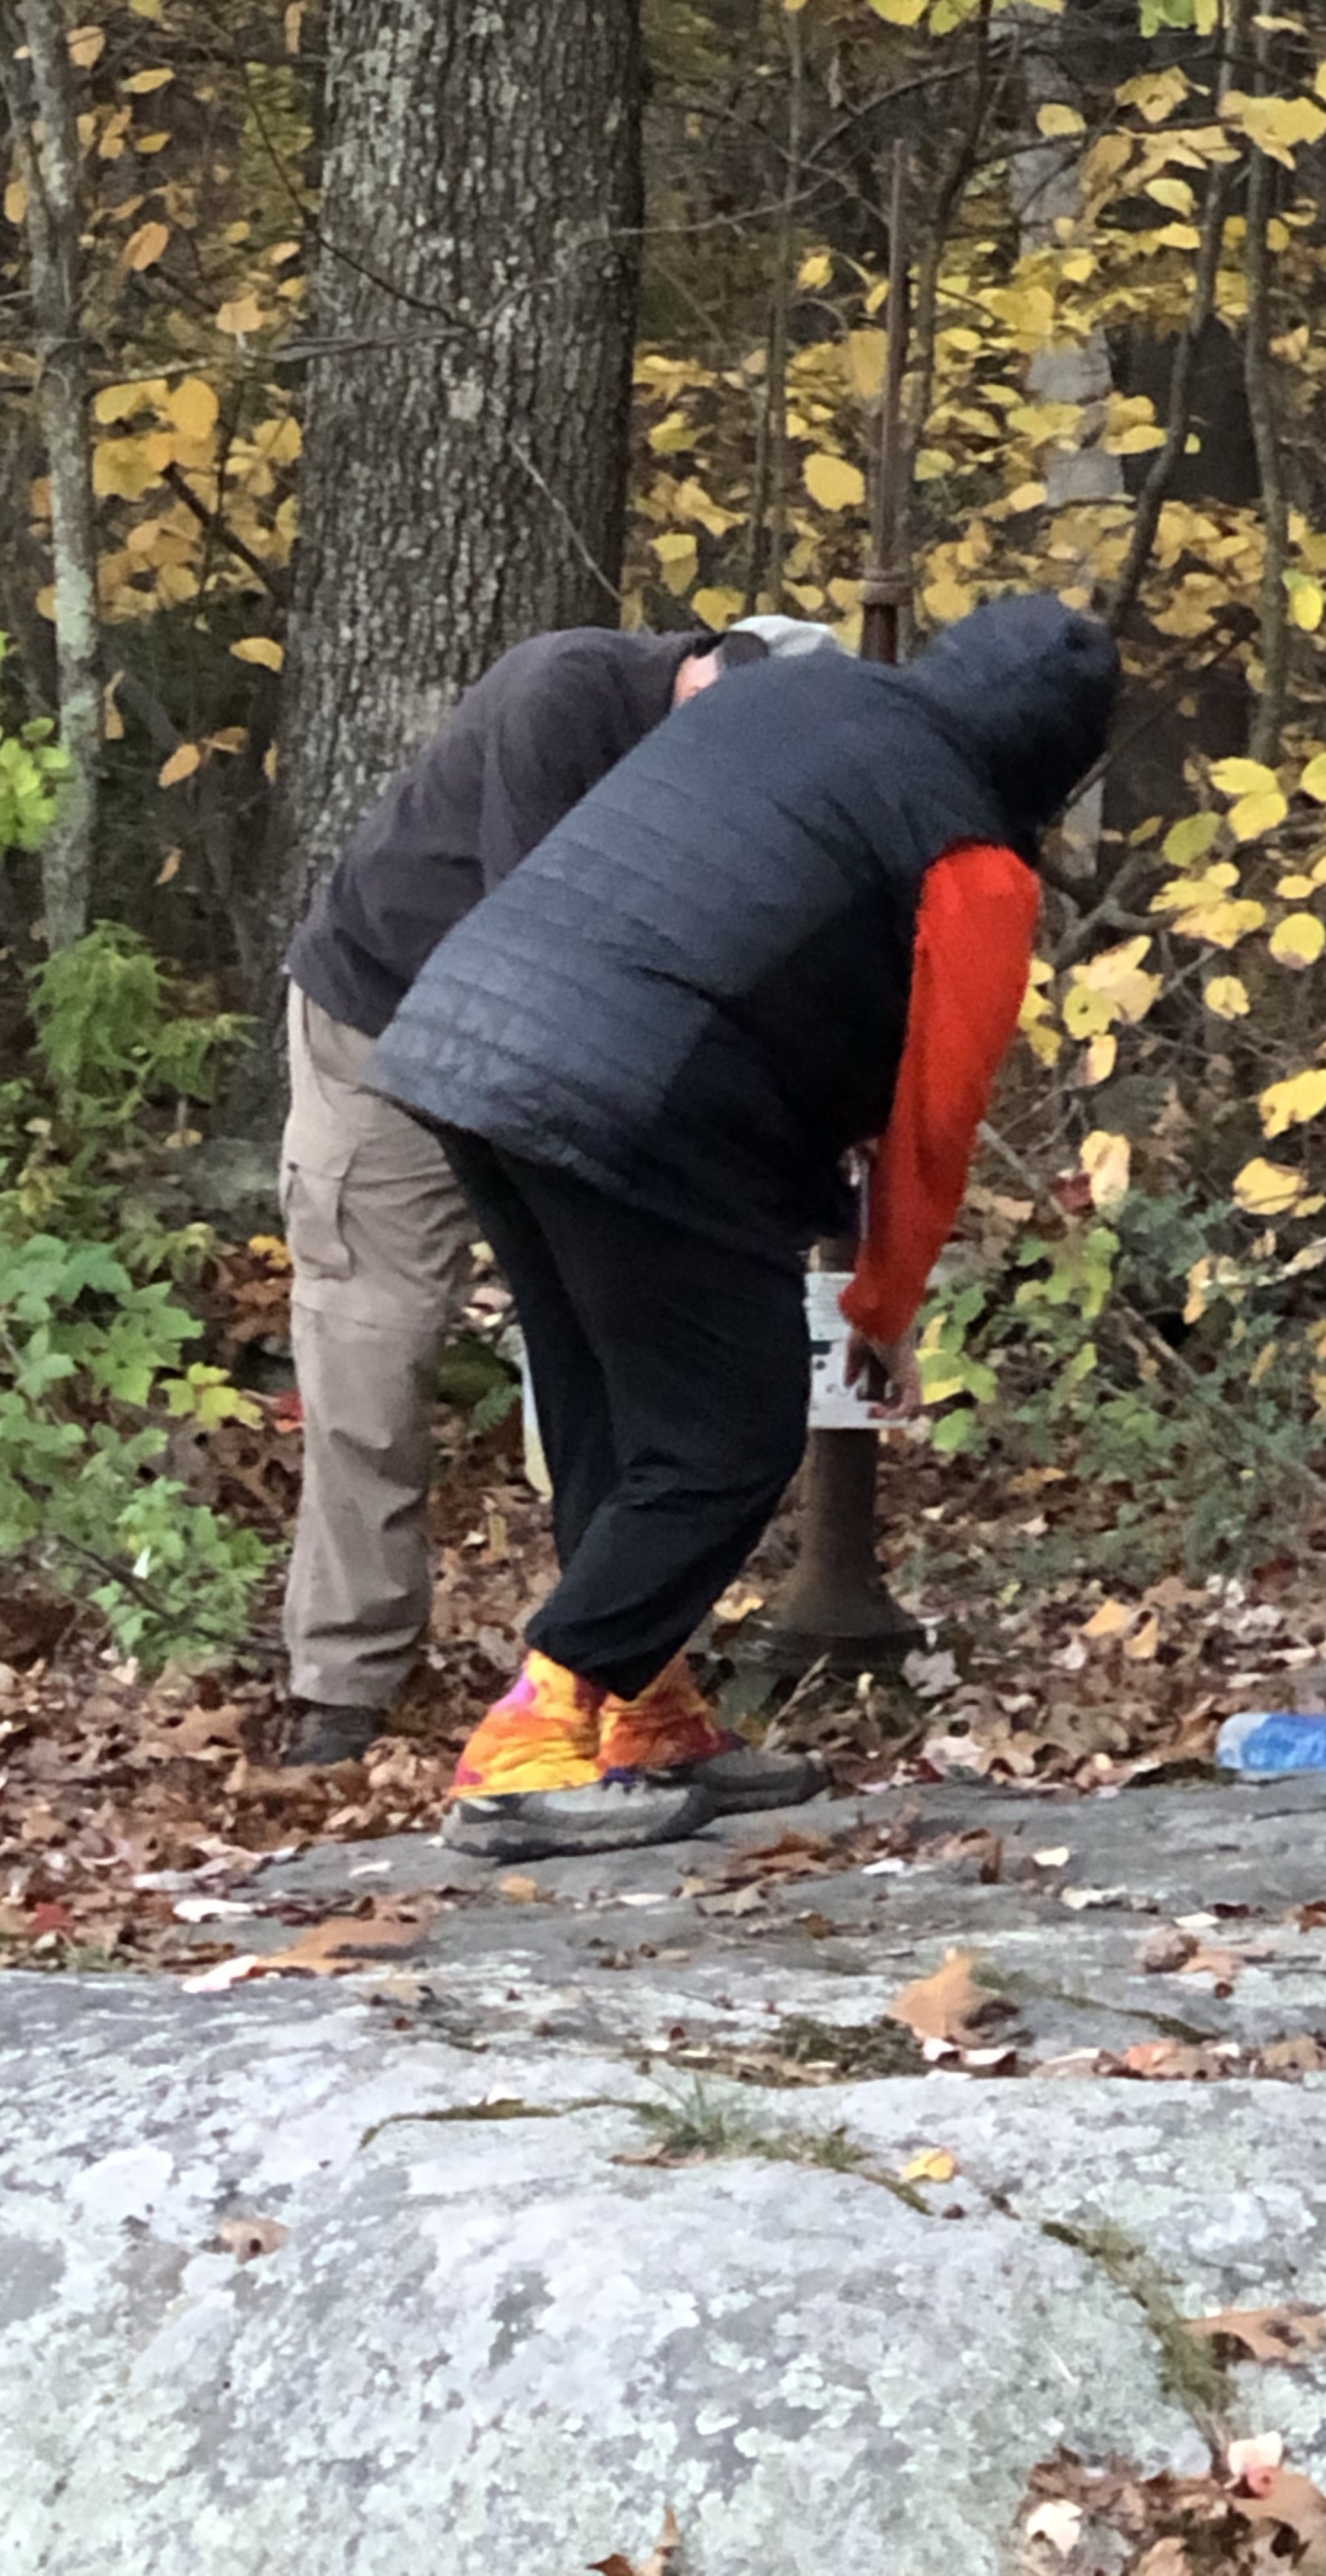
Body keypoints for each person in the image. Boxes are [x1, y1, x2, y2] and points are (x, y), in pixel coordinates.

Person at [367, 592, 1120, 1861]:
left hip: (462, 1039)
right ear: (1061, 762)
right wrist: (882, 1311)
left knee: (613, 1399)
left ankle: (646, 1711)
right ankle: (534, 1737)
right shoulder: (974, 859)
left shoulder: (777, 693)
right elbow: (931, 1126)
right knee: (735, 1425)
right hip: (633, 1090)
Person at [278, 615, 840, 1765]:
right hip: (385, 1025)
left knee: (606, 1346)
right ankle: (343, 1680)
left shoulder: (742, 781)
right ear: (706, 672)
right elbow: (551, 941)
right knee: (373, 1347)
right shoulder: (563, 697)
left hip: (545, 1055)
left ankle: (614, 1679)